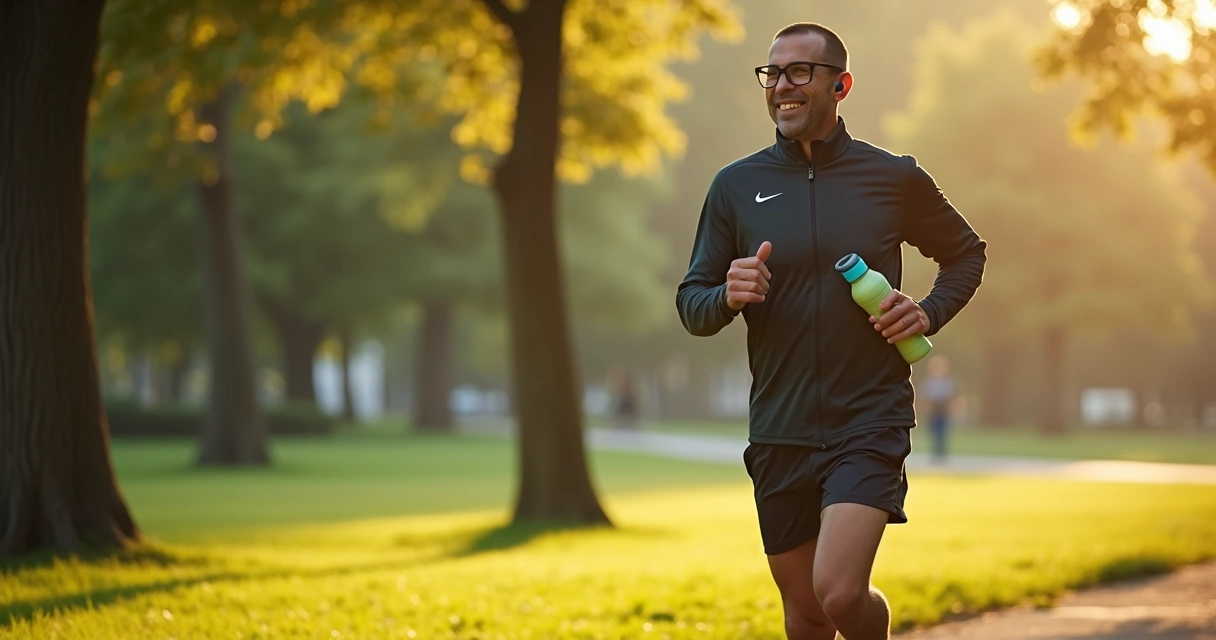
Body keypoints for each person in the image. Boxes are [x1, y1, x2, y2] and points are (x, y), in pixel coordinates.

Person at [675, 22, 986, 640]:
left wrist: (926, 312)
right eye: (773, 73)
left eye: (799, 72)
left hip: (868, 417)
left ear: (840, 85)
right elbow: (692, 302)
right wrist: (726, 294)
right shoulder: (735, 186)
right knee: (807, 615)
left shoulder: (892, 177)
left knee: (841, 595)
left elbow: (966, 254)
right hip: (779, 428)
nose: (782, 86)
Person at [922, 355, 957, 463]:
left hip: (943, 410)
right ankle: (936, 453)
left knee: (943, 432)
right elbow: (925, 398)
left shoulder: (948, 382)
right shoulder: (928, 383)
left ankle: (942, 454)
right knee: (934, 432)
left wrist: (951, 409)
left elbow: (952, 397)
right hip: (934, 411)